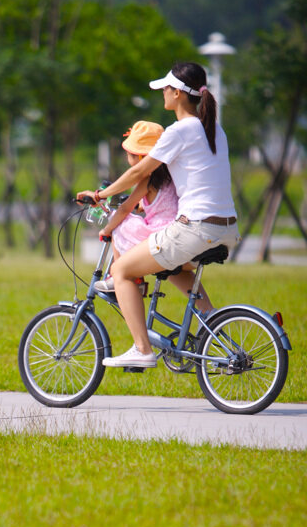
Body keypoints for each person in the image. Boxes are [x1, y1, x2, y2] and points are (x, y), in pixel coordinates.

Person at [77, 61, 241, 369]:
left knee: (123, 270)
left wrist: (100, 195)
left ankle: (142, 349)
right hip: (227, 227)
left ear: (178, 94)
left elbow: (140, 170)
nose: (163, 93)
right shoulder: (214, 128)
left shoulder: (181, 130)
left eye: (166, 88)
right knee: (176, 269)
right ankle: (214, 330)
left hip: (195, 225)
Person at [92, 120, 178, 294]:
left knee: (120, 223)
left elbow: (124, 209)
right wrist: (143, 205)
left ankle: (116, 275)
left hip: (158, 234)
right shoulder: (171, 176)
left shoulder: (148, 179)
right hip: (175, 231)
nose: (127, 158)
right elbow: (163, 203)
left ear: (140, 157)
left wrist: (107, 229)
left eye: (129, 154)